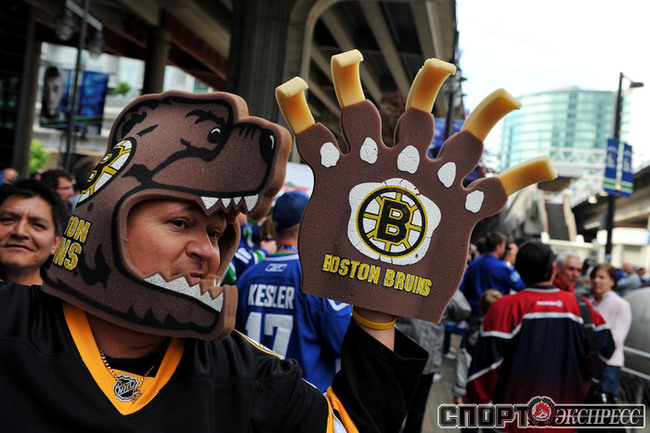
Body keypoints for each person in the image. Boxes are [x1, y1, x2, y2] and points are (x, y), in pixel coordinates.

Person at [0, 90, 426, 432]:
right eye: (180, 223)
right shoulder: (9, 321)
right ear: (108, 221)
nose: (206, 251)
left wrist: (376, 310)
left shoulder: (250, 373)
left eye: (216, 234)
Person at [466, 241, 614, 430]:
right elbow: (605, 351)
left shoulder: (503, 308)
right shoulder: (581, 307)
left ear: (518, 271)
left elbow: (483, 371)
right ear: (554, 269)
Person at [236, 190, 352, 393]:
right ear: (309, 225)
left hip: (254, 398)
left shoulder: (248, 276)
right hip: (305, 401)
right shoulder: (316, 277)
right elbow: (344, 345)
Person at [397, 289, 470, 433]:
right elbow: (464, 310)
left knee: (395, 401)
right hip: (427, 356)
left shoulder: (406, 277)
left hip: (400, 353)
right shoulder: (445, 286)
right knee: (417, 405)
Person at [0, 179, 69, 285]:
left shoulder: (64, 295)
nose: (20, 232)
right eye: (8, 220)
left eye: (37, 225)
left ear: (55, 243)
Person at [588, 263, 632, 398]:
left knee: (603, 407)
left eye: (602, 277)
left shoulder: (621, 305)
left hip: (608, 366)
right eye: (594, 277)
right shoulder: (588, 302)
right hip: (587, 364)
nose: (596, 280)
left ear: (612, 281)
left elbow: (616, 339)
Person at [452, 288, 501, 406]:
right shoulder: (505, 334)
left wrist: (459, 392)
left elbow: (464, 360)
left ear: (480, 308)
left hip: (473, 390)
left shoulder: (473, 333)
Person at [460, 231, 524, 315]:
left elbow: (463, 290)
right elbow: (520, 286)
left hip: (475, 313)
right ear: (498, 247)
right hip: (497, 313)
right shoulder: (503, 268)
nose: (504, 250)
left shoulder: (473, 265)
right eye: (503, 247)